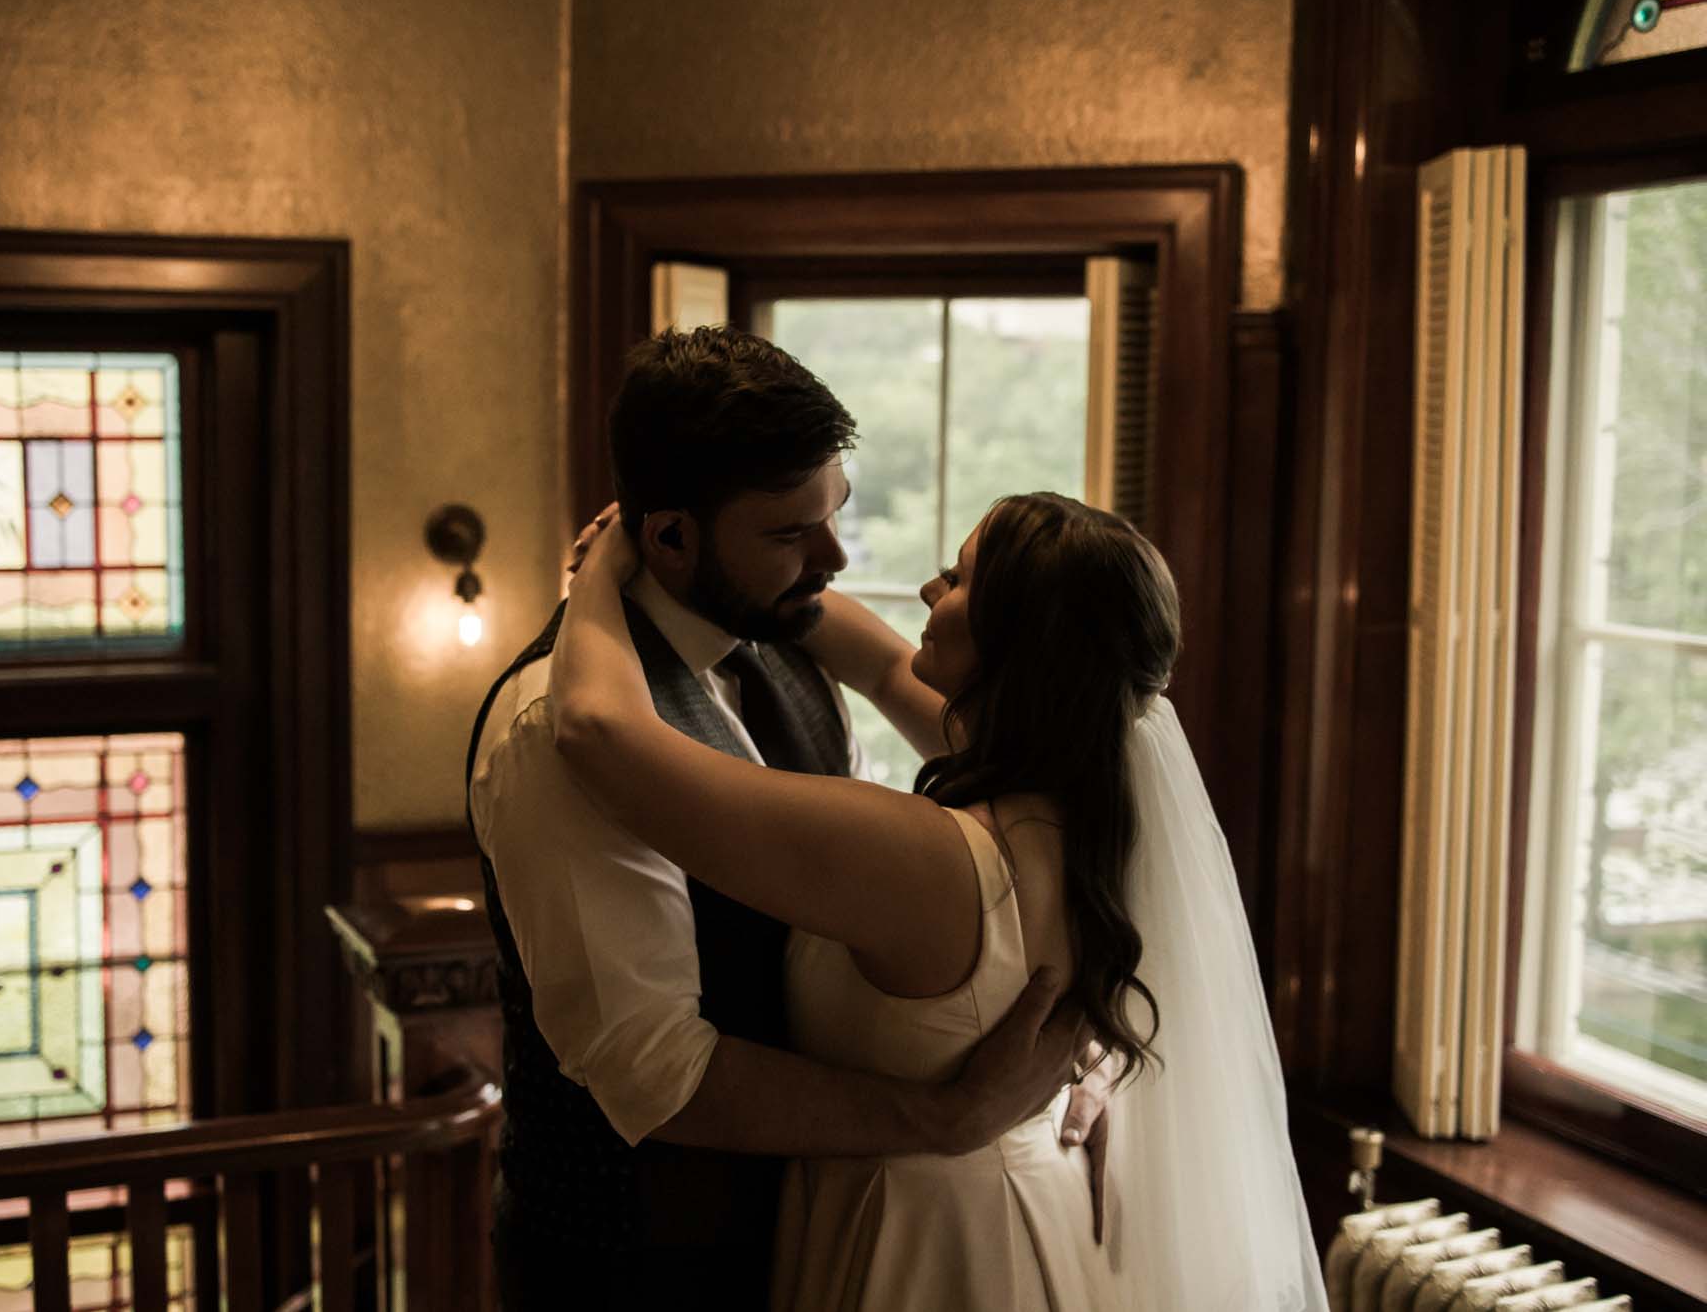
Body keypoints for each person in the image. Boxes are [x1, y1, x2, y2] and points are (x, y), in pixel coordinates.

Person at [553, 487, 1330, 1309]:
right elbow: (885, 667)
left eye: (956, 579)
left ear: (1018, 639)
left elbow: (599, 733)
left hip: (931, 1244)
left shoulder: (927, 860)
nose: (929, 590)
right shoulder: (1089, 808)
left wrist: (599, 573)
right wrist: (744, 573)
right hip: (1033, 1210)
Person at [465, 327, 1110, 1311]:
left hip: (819, 1237)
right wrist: (944, 1114)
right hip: (635, 1267)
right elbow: (654, 1071)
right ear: (669, 537)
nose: (834, 556)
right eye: (787, 534)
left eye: (834, 511)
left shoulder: (790, 648)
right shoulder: (550, 732)